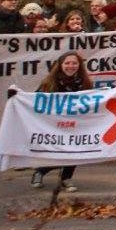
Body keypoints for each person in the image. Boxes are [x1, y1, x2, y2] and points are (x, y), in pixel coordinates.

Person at [29, 52, 91, 192]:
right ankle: (40, 171)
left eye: (74, 63)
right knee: (57, 152)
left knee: (75, 151)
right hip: (54, 125)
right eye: (67, 63)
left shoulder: (85, 83)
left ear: (79, 65)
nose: (71, 66)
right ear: (60, 65)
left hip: (75, 124)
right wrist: (17, 96)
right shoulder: (49, 82)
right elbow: (34, 100)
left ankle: (66, 178)